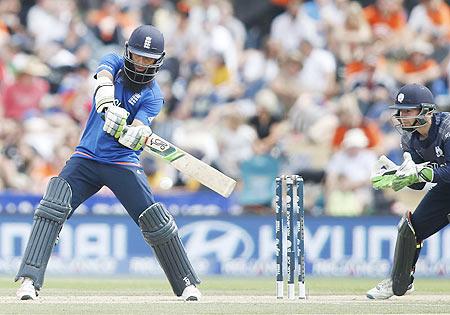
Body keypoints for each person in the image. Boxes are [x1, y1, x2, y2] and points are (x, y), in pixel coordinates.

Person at [15, 25, 201, 301]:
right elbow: (102, 80)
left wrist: (138, 132)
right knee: (53, 205)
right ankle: (29, 281)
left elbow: (140, 125)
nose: (141, 63)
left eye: (147, 59)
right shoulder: (113, 63)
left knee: (154, 219)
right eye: (137, 56)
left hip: (122, 162)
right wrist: (107, 105)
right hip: (87, 156)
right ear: (128, 52)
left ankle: (187, 284)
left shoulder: (153, 96)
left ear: (158, 61)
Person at [367, 83, 450, 299]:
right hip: (446, 190)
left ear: (425, 110)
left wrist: (422, 173)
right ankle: (400, 280)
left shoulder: (447, 128)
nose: (401, 116)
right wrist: (401, 176)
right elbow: (418, 183)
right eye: (400, 111)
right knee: (410, 229)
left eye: (408, 110)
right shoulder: (408, 138)